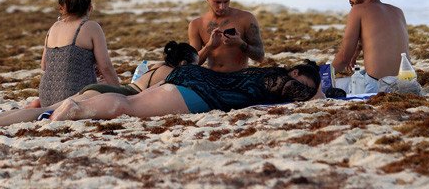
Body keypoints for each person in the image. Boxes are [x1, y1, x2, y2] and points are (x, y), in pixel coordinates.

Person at [0, 41, 198, 126]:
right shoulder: (173, 73)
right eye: (194, 65)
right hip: (110, 94)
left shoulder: (154, 66)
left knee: (45, 109)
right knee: (44, 111)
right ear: (184, 63)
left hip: (102, 90)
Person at [50, 60, 322, 122]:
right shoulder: (279, 79)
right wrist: (321, 91)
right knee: (128, 107)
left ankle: (76, 106)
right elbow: (300, 93)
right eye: (305, 83)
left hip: (193, 77)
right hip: (199, 93)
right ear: (295, 73)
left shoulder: (266, 73)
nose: (303, 90)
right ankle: (77, 109)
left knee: (130, 100)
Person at [37, 0, 121, 108]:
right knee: (107, 86)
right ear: (90, 7)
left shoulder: (53, 27)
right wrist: (121, 93)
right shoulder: (91, 27)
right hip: (73, 97)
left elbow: (44, 66)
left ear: (62, 8)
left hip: (45, 96)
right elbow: (105, 67)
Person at [331, 0, 410, 93]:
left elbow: (343, 59)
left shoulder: (358, 10)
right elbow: (384, 38)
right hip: (407, 83)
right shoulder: (398, 11)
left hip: (378, 86)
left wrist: (319, 76)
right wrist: (358, 48)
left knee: (330, 85)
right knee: (359, 76)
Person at [188, 0, 265, 72]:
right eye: (217, 2)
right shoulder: (196, 24)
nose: (222, 7)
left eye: (226, 1)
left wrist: (241, 44)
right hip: (211, 77)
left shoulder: (246, 18)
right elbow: (192, 63)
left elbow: (260, 57)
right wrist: (209, 47)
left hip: (239, 76)